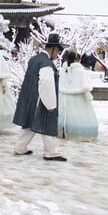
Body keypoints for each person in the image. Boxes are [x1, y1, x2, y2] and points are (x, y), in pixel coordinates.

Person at [13, 33, 67, 162]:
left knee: (29, 123)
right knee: (47, 123)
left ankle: (20, 147)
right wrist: (51, 104)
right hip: (40, 98)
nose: (57, 55)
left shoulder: (35, 59)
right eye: (57, 52)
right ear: (53, 50)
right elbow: (45, 83)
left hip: (30, 97)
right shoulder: (46, 63)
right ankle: (50, 152)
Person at [58, 51, 98, 141]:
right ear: (77, 59)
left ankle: (61, 132)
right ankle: (76, 133)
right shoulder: (81, 71)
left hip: (62, 96)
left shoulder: (63, 70)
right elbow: (86, 85)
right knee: (77, 116)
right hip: (78, 97)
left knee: (62, 116)